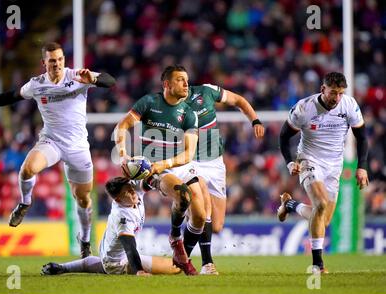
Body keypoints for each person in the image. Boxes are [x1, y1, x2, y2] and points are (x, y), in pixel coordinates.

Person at [0, 42, 116, 258]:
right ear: (44, 63)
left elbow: (111, 81)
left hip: (77, 146)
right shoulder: (36, 84)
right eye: (52, 61)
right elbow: (12, 95)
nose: (57, 64)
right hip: (51, 141)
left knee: (83, 199)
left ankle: (85, 240)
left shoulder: (78, 76)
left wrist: (95, 80)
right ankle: (24, 203)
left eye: (60, 59)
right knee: (27, 169)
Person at [114, 65, 205, 275]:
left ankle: (179, 245)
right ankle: (176, 240)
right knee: (183, 196)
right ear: (167, 84)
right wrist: (122, 155)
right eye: (180, 79)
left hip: (177, 164)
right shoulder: (149, 102)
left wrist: (163, 164)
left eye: (187, 80)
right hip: (157, 170)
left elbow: (189, 154)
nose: (186, 84)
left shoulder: (189, 114)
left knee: (199, 217)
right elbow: (122, 126)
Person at [278, 72, 369, 273]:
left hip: (334, 165)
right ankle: (317, 265)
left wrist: (361, 166)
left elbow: (362, 137)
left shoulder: (349, 105)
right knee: (320, 204)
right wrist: (289, 162)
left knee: (323, 219)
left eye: (340, 93)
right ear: (323, 89)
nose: (336, 98)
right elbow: (284, 137)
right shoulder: (304, 108)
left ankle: (289, 204)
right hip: (309, 160)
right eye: (333, 93)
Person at [185, 84, 265, 275]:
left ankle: (182, 241)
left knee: (217, 226)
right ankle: (207, 263)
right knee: (204, 212)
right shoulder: (171, 106)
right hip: (193, 163)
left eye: (184, 81)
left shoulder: (206, 91)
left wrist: (255, 120)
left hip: (216, 164)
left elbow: (239, 100)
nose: (183, 85)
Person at [41, 176, 181, 276]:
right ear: (118, 199)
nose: (132, 192)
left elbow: (147, 182)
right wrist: (139, 271)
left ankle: (62, 268)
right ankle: (65, 268)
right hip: (118, 263)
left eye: (130, 188)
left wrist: (155, 178)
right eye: (127, 192)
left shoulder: (133, 191)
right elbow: (130, 249)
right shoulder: (122, 217)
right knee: (175, 268)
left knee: (103, 262)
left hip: (108, 256)